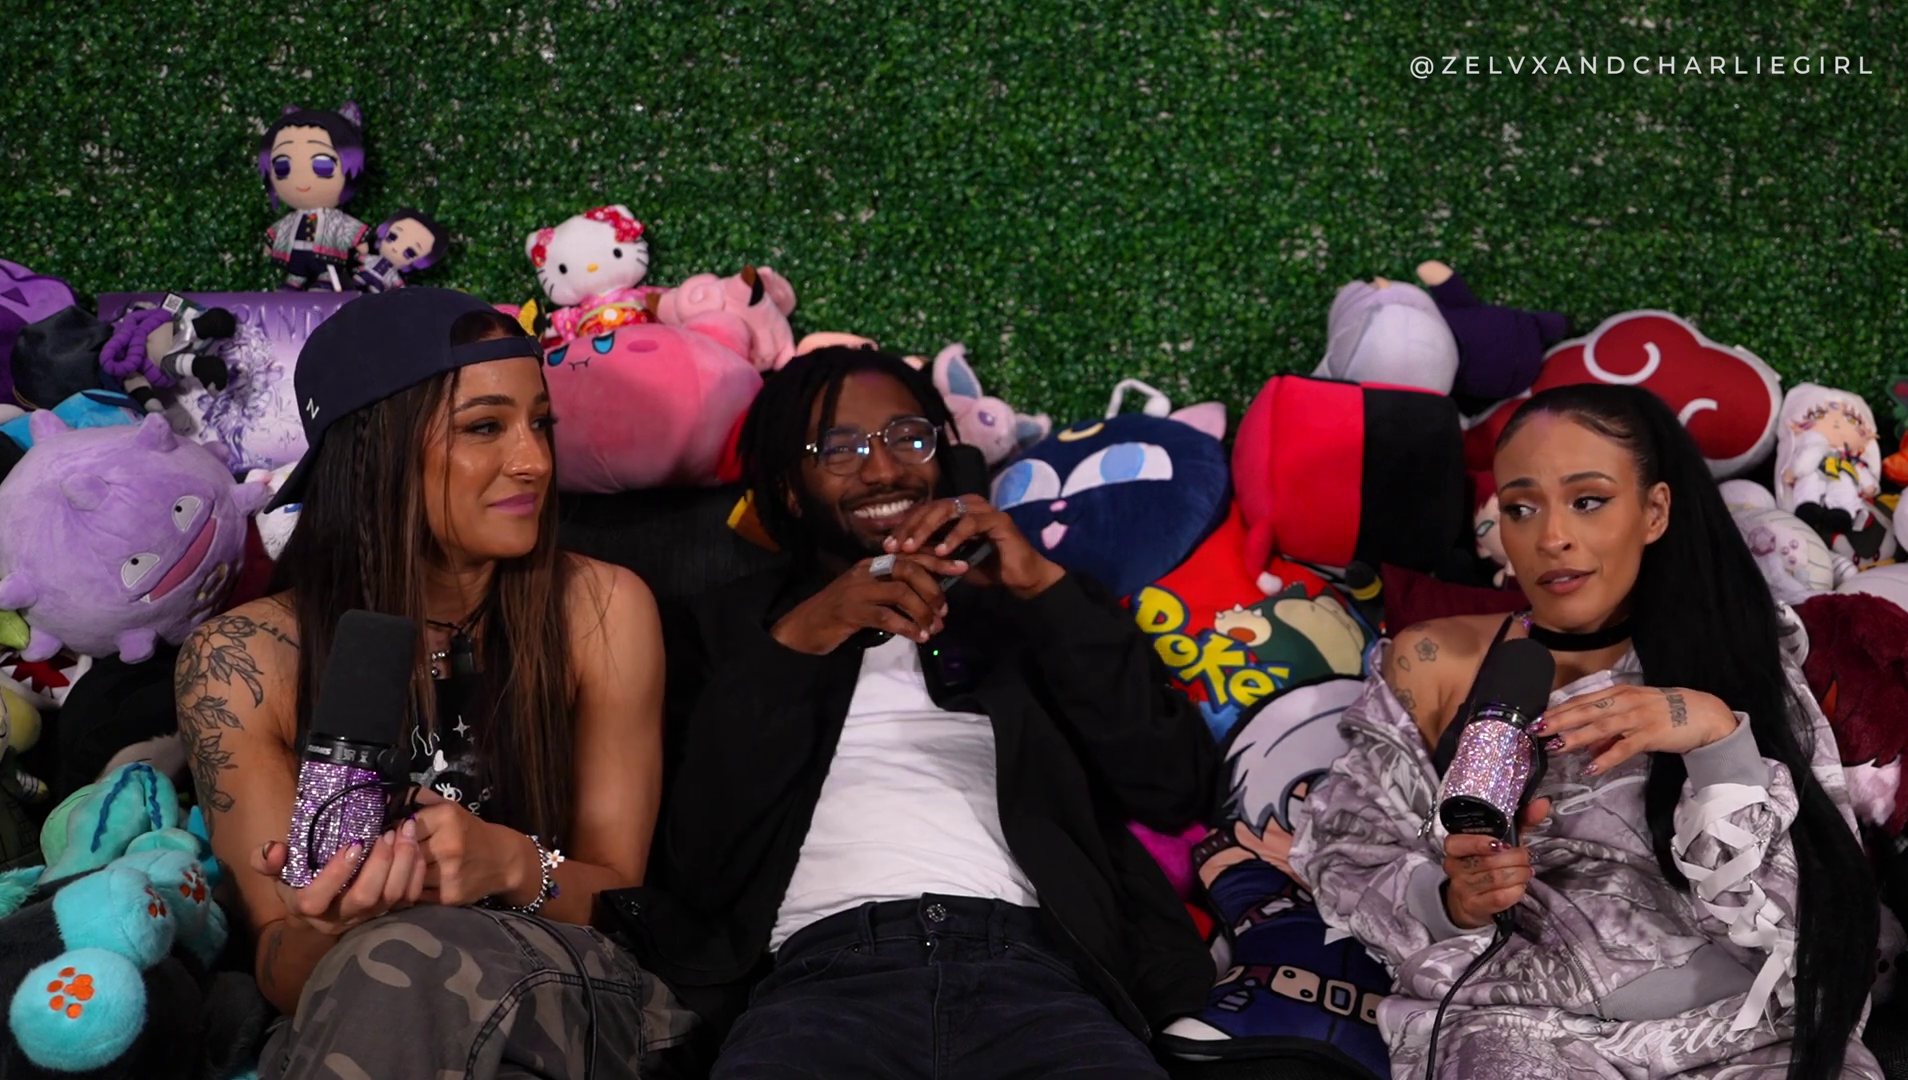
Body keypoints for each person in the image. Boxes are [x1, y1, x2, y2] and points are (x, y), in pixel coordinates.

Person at [622, 346, 1218, 1078]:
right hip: (818, 985)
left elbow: (1172, 783)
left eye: (909, 438)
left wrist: (1043, 591)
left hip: (1042, 976)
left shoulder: (1030, 610)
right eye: (839, 449)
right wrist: (800, 642)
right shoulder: (721, 630)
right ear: (791, 490)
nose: (883, 470)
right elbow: (696, 863)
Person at [1292, 383, 1901, 1080]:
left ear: (1654, 511)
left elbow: (1806, 921)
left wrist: (1716, 744)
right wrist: (1454, 900)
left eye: (1587, 500)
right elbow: (1345, 855)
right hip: (1523, 1034)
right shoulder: (1435, 660)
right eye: (1522, 508)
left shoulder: (1739, 658)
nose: (1552, 537)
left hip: (1750, 1032)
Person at [174, 289, 695, 1079]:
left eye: (541, 424)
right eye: (485, 427)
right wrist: (328, 924)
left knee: (401, 958)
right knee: (384, 965)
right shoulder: (242, 660)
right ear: (374, 450)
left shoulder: (602, 608)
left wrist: (506, 864)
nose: (534, 461)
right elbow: (281, 963)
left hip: (572, 988)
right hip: (364, 1011)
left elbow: (621, 898)